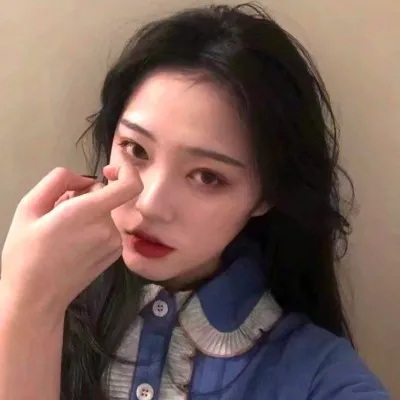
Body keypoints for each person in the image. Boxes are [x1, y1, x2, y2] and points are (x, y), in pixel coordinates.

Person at [0, 3, 390, 400]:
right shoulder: (41, 302)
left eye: (207, 177)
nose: (151, 204)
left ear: (267, 194)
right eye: (136, 149)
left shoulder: (318, 375)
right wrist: (28, 306)